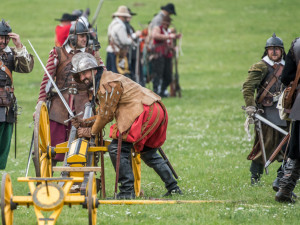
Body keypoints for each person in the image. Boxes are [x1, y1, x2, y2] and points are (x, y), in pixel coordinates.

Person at [70, 52, 182, 199]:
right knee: (149, 152)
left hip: (145, 111)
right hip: (153, 107)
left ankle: (127, 192)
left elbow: (106, 115)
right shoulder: (106, 79)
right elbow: (105, 112)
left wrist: (90, 131)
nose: (83, 78)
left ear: (94, 70)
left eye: (85, 73)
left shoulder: (106, 84)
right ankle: (173, 188)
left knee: (117, 148)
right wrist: (85, 122)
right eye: (80, 75)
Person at [36, 18, 104, 165]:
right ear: (73, 37)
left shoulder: (91, 54)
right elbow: (47, 80)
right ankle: (46, 183)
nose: (85, 39)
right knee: (52, 149)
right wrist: (41, 101)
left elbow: (102, 75)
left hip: (84, 104)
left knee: (82, 149)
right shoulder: (58, 53)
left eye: (86, 36)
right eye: (82, 36)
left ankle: (79, 183)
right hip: (60, 107)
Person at [242, 33, 288, 187]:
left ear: (282, 51)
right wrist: (250, 106)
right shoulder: (260, 67)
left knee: (288, 147)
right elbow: (248, 87)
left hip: (285, 113)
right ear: (267, 51)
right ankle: (255, 178)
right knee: (265, 146)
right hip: (266, 113)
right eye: (271, 49)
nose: (274, 52)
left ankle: (283, 178)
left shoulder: (289, 66)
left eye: (277, 49)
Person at [0, 19, 34, 169]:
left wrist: (19, 46)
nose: (3, 41)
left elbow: (26, 68)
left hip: (7, 106)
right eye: (0, 37)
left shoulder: (11, 54)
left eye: (5, 38)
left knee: (3, 146)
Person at [275, 36, 300, 203]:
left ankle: (284, 189)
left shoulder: (296, 45)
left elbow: (286, 78)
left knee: (297, 150)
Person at [151, 15, 180, 97]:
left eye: (167, 24)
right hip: (159, 55)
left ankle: (163, 90)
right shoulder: (158, 29)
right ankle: (156, 91)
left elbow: (167, 43)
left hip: (167, 55)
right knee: (158, 74)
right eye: (164, 23)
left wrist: (173, 48)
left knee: (168, 76)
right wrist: (169, 36)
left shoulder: (168, 31)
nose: (165, 25)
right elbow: (155, 36)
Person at [106, 6, 139, 78]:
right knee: (119, 76)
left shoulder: (112, 23)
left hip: (112, 52)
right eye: (124, 17)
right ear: (121, 16)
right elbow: (125, 41)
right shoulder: (120, 26)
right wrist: (133, 38)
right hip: (117, 53)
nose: (125, 19)